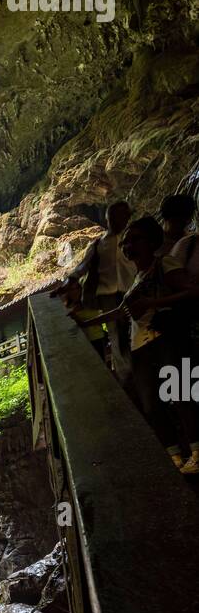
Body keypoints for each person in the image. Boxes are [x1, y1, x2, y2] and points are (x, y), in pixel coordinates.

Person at [85, 215, 199, 472]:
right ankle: (175, 457)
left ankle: (196, 452)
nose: (128, 246)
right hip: (141, 347)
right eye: (125, 242)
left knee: (181, 395)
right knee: (151, 405)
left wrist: (152, 304)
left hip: (166, 339)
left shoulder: (164, 263)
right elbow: (120, 312)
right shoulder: (137, 278)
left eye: (135, 239)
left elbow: (192, 291)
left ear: (152, 241)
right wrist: (85, 324)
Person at [51, 199, 135, 386]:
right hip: (108, 297)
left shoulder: (133, 239)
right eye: (113, 215)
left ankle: (140, 372)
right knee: (116, 336)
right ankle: (126, 379)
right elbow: (81, 267)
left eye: (122, 215)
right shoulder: (98, 244)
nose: (117, 219)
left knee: (135, 332)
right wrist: (67, 283)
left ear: (128, 217)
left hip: (135, 292)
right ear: (107, 218)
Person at [159, 192, 196, 256]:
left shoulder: (191, 242)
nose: (184, 224)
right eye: (178, 220)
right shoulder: (154, 243)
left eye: (186, 219)